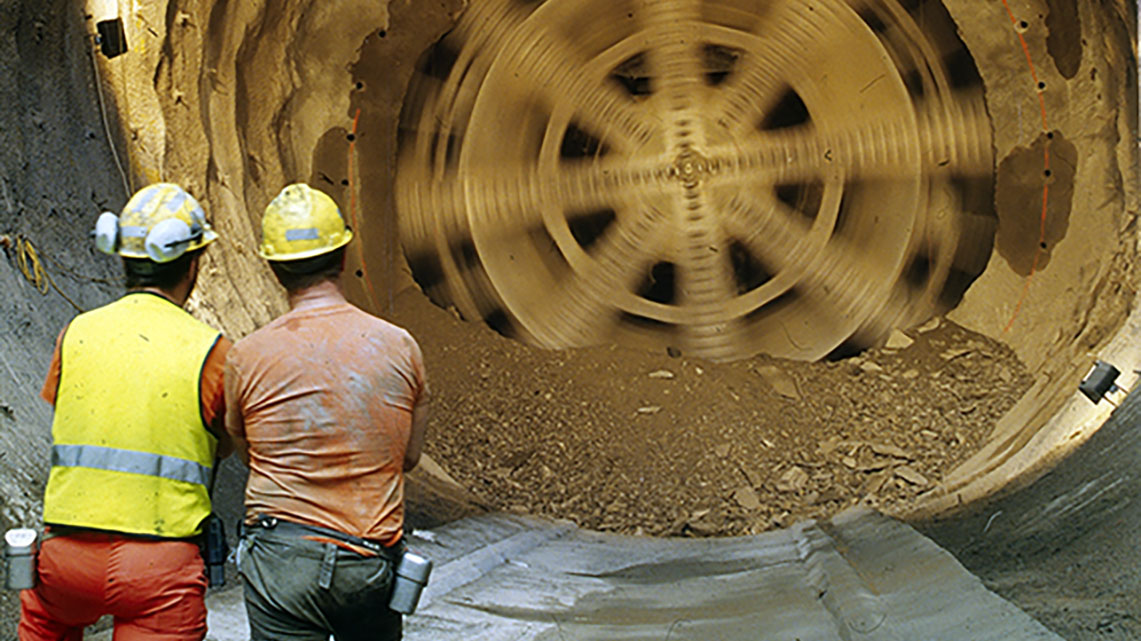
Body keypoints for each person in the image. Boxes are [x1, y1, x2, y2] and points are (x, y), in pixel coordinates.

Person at [20, 183, 232, 640]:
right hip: (159, 571)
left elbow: (70, 412)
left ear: (121, 256)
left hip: (63, 560)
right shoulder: (212, 350)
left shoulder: (75, 333)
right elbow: (228, 440)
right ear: (193, 264)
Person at [225, 183, 430, 641]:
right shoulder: (398, 345)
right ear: (342, 258)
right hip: (368, 561)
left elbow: (248, 454)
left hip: (282, 562)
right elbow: (408, 458)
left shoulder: (246, 356)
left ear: (275, 270)